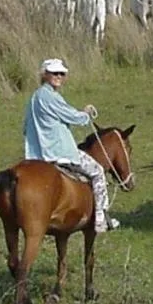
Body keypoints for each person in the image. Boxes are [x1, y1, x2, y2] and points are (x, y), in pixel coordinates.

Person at [23, 58, 119, 232]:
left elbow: (25, 127)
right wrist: (86, 114)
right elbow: (73, 117)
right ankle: (100, 220)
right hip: (59, 151)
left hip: (36, 154)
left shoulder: (34, 97)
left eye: (61, 73)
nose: (59, 76)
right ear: (45, 75)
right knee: (97, 172)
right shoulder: (50, 96)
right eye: (54, 73)